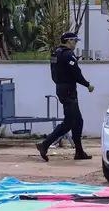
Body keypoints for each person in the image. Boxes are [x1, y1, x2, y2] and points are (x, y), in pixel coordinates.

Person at [37, 31, 94, 162]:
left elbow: (53, 73)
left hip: (61, 89)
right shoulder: (69, 55)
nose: (75, 44)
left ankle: (79, 151)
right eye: (74, 41)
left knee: (77, 121)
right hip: (69, 92)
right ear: (68, 41)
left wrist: (60, 83)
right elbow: (76, 73)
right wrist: (87, 85)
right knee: (69, 122)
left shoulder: (54, 54)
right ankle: (44, 144)